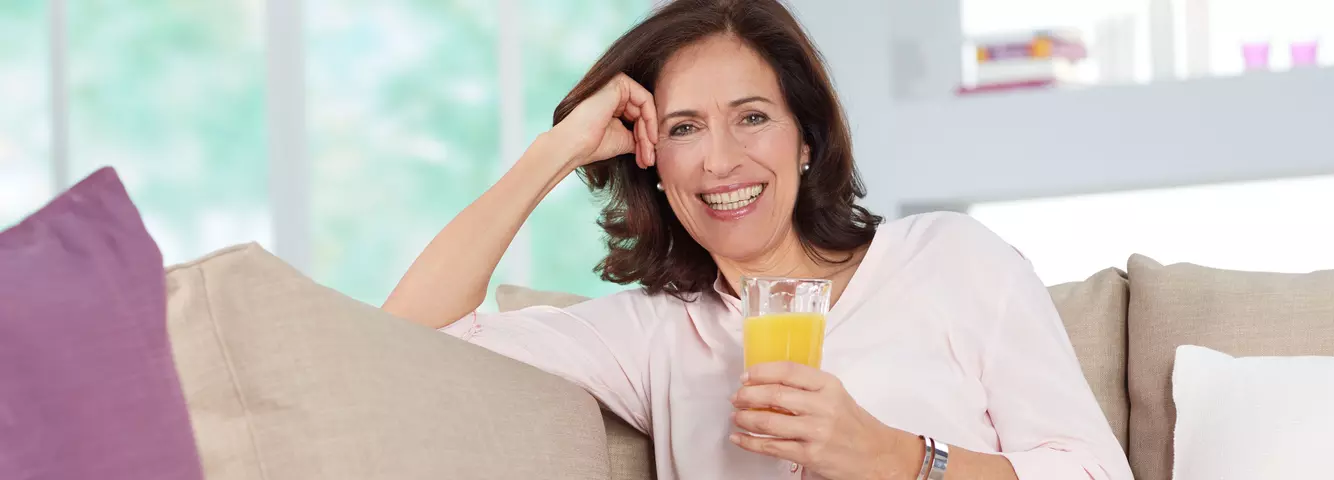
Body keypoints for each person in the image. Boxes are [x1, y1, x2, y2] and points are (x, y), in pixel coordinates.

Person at [384, 0, 1132, 478]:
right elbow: (407, 339)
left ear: (805, 139)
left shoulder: (951, 262)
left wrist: (901, 460)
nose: (720, 161)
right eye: (683, 129)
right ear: (652, 163)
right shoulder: (657, 334)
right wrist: (556, 151)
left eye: (751, 117)